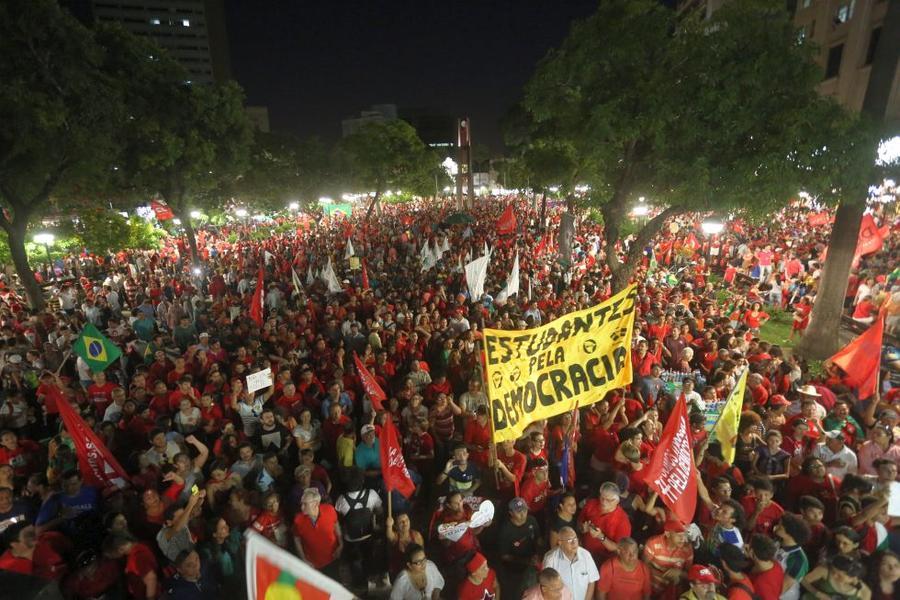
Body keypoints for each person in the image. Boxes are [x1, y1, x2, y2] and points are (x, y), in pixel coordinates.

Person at [292, 487, 342, 579]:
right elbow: (296, 539)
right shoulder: (298, 520)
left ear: (315, 504)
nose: (301, 507)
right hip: (313, 564)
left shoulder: (329, 510)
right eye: (301, 504)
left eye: (305, 504)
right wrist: (303, 559)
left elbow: (336, 525)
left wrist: (341, 544)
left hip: (332, 557)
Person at [540, 524, 599, 600]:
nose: (574, 543)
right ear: (560, 543)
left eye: (575, 539)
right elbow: (547, 587)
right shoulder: (551, 559)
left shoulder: (586, 555)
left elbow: (591, 581)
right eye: (569, 540)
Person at [578, 482, 631, 562]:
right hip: (584, 552)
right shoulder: (591, 504)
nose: (604, 502)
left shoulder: (623, 521)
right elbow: (579, 522)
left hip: (603, 560)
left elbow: (618, 548)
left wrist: (601, 536)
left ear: (617, 501)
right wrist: (583, 528)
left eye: (609, 500)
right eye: (602, 498)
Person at [643, 519, 694, 598]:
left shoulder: (687, 550)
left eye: (684, 534)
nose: (683, 539)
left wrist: (679, 573)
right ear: (667, 533)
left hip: (673, 593)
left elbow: (690, 575)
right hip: (651, 590)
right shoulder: (653, 543)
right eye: (678, 535)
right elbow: (643, 568)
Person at [800, 554, 872, 600]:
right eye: (833, 571)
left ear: (853, 578)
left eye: (839, 575)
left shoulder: (864, 592)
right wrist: (817, 593)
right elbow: (802, 580)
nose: (834, 575)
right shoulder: (825, 571)